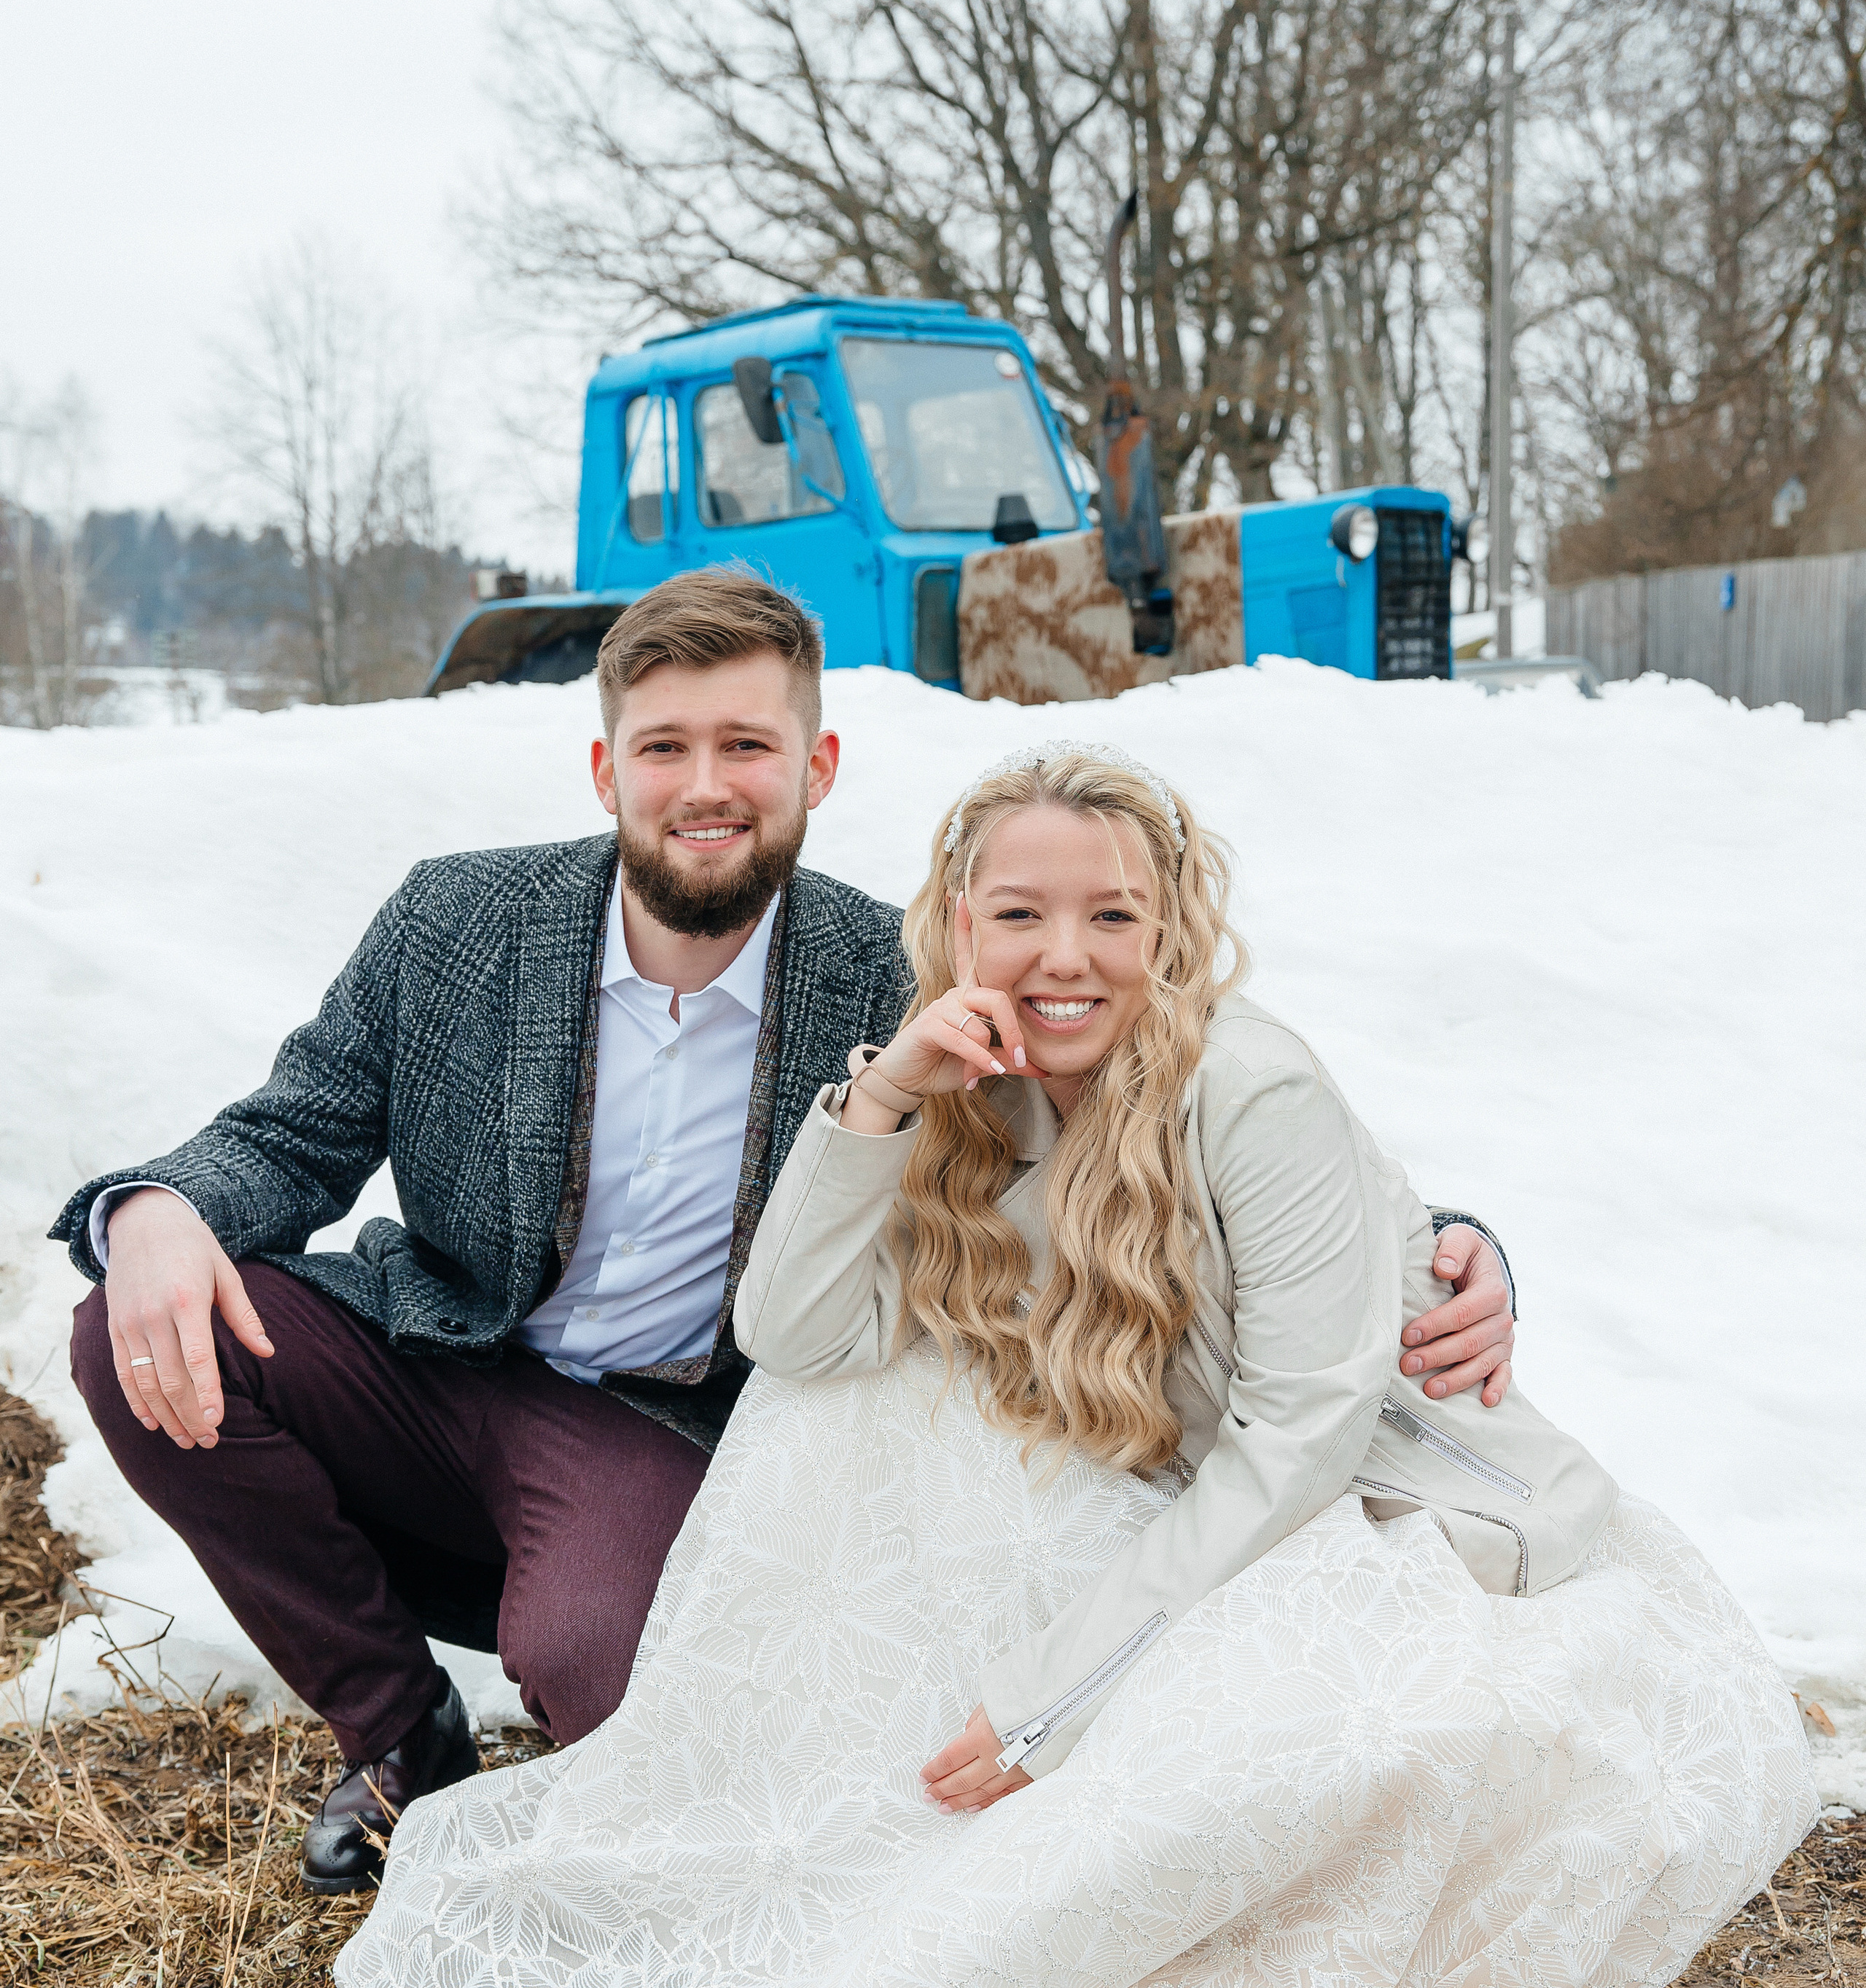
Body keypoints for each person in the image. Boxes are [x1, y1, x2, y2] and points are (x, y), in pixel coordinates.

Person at [333, 746, 1814, 1988]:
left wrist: (1054, 1698)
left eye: (1110, 917)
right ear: (955, 925)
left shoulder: (1250, 1086)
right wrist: (879, 1098)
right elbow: (791, 1336)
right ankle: (824, 1867)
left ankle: (1008, 1946)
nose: (1063, 958)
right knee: (848, 1407)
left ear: (1168, 931)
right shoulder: (964, 1091)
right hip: (1168, 1508)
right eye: (1018, 915)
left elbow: (1296, 1441)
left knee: (1230, 1754)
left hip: (1379, 1524)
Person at [53, 585, 1510, 1896]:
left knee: (601, 1683)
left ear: (813, 769)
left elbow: (1155, 1110)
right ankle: (397, 1730)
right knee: (135, 1329)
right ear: (606, 767)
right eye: (665, 746)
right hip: (444, 1352)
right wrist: (158, 1211)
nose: (704, 786)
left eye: (747, 746)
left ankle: (562, 1671)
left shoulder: (903, 978)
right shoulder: (456, 920)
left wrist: (1439, 1241)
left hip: (661, 1426)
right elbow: (294, 1132)